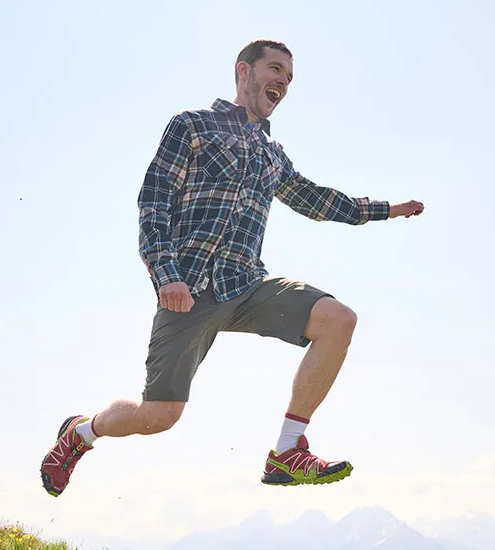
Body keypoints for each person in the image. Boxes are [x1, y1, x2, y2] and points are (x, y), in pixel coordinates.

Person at [40, 39, 424, 497]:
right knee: (158, 417)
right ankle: (81, 433)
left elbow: (321, 202)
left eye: (289, 77)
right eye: (275, 68)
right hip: (189, 291)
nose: (282, 80)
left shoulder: (272, 155)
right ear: (243, 71)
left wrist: (388, 209)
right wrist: (167, 275)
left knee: (339, 320)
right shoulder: (192, 126)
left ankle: (286, 452)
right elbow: (154, 202)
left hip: (247, 284)